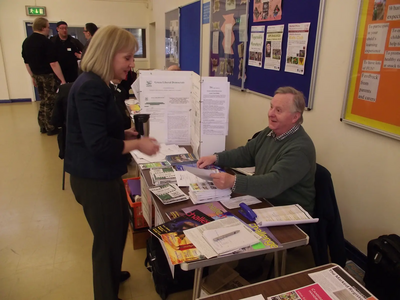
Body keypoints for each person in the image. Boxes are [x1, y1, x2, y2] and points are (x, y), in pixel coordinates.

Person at [65, 25, 160, 300]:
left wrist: (124, 133)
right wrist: (138, 143)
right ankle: (105, 293)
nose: (131, 65)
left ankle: (112, 272)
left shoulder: (99, 83)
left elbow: (98, 129)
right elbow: (98, 145)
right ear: (108, 55)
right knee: (106, 239)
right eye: (127, 58)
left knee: (119, 225)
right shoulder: (90, 87)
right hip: (93, 177)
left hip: (104, 174)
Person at [197, 86, 316, 280]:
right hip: (265, 198)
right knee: (219, 213)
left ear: (295, 117)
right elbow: (246, 153)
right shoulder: (269, 133)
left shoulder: (300, 148)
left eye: (278, 110)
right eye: (271, 107)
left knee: (244, 231)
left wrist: (233, 181)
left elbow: (273, 183)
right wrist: (216, 158)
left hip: (287, 209)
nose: (271, 114)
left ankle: (248, 279)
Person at [22, 17, 66, 135]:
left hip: (37, 75)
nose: (48, 29)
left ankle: (42, 125)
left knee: (43, 100)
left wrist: (32, 76)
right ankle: (51, 126)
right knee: (51, 101)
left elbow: (26, 62)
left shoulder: (27, 42)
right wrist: (62, 80)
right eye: (47, 27)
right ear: (42, 28)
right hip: (48, 76)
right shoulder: (46, 42)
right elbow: (53, 63)